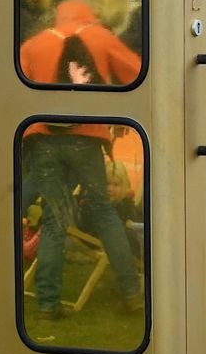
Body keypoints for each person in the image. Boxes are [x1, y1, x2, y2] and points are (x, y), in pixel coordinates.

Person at [19, 29, 143, 322]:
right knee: (104, 212)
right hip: (88, 138)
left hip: (44, 137)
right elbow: (133, 75)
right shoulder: (100, 36)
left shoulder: (35, 41)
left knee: (54, 221)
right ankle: (131, 294)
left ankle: (48, 304)